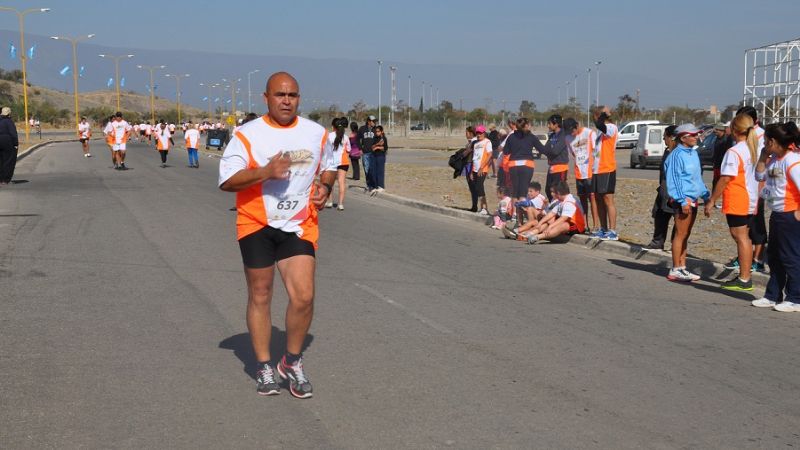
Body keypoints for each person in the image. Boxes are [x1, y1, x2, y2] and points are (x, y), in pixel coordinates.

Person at [218, 71, 337, 398]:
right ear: (266, 98)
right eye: (280, 95)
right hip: (256, 222)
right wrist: (265, 172)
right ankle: (264, 365)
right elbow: (227, 181)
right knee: (261, 294)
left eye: (293, 95)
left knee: (303, 296)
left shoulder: (315, 133)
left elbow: (329, 164)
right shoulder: (247, 134)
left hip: (299, 224)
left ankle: (291, 361)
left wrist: (325, 186)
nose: (287, 100)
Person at [704, 113, 759, 291]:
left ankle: (744, 278)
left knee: (740, 237)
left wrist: (712, 199)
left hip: (738, 198)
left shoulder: (734, 151)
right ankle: (745, 275)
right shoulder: (753, 149)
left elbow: (725, 178)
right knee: (744, 237)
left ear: (734, 130)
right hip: (750, 197)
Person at [750, 122, 800, 312]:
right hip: (778, 213)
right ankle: (773, 295)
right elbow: (759, 176)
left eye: (765, 142)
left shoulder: (793, 161)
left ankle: (796, 298)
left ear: (772, 141)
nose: (764, 144)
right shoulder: (775, 159)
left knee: (791, 257)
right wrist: (763, 156)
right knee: (775, 257)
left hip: (790, 216)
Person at [723, 106, 768, 273]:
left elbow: (764, 162)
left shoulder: (761, 136)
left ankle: (757, 259)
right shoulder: (743, 139)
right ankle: (746, 262)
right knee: (743, 232)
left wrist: (762, 187)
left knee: (754, 227)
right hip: (747, 188)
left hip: (755, 188)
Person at [664, 124, 709, 282]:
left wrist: (706, 194)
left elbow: (696, 178)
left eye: (697, 134)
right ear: (683, 138)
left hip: (693, 199)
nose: (696, 136)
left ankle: (682, 266)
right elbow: (674, 180)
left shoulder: (693, 153)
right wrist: (682, 200)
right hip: (682, 200)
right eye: (693, 134)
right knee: (680, 234)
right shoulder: (676, 155)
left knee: (685, 234)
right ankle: (676, 268)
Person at [503, 117, 545, 221]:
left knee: (515, 192)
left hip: (513, 165)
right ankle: (522, 218)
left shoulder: (511, 137)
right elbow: (542, 149)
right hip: (527, 164)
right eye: (529, 124)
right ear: (526, 125)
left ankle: (515, 217)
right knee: (522, 192)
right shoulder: (531, 137)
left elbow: (506, 151)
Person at [646, 125, 678, 250]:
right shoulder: (667, 151)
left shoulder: (679, 153)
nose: (664, 140)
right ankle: (657, 242)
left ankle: (675, 246)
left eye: (665, 137)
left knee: (677, 219)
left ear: (672, 137)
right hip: (663, 190)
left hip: (674, 192)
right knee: (659, 215)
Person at [591, 106, 619, 241]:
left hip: (607, 168)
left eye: (595, 116)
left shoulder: (611, 128)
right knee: (598, 200)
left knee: (608, 200)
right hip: (597, 170)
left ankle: (613, 230)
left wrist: (603, 113)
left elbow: (599, 124)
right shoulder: (599, 133)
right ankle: (603, 228)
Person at [564, 118, 597, 232]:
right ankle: (585, 225)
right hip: (579, 173)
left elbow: (596, 151)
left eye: (572, 131)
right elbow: (572, 153)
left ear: (577, 126)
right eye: (569, 132)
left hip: (590, 172)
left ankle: (595, 226)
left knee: (592, 198)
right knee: (582, 199)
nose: (571, 134)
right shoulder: (568, 138)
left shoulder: (589, 133)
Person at [540, 114, 570, 202]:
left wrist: (548, 151)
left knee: (559, 191)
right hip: (552, 167)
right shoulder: (552, 135)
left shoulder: (563, 135)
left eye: (549, 123)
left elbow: (555, 151)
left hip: (561, 167)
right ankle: (554, 208)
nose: (548, 126)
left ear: (556, 124)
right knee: (548, 190)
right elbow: (545, 149)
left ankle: (561, 210)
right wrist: (547, 151)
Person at [326, 117, 350, 210]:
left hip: (331, 162)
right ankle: (340, 204)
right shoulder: (346, 137)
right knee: (341, 182)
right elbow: (349, 150)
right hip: (343, 162)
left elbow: (325, 149)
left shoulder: (329, 136)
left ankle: (330, 202)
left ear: (333, 127)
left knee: (330, 182)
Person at [469, 125, 493, 214]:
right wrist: (472, 171)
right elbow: (474, 158)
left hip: (482, 169)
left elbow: (490, 155)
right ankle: (482, 207)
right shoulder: (475, 143)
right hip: (475, 169)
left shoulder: (487, 142)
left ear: (484, 133)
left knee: (480, 186)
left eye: (480, 133)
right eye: (477, 133)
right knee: (477, 188)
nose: (478, 135)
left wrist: (482, 167)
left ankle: (484, 208)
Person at [711, 122, 732, 195]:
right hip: (716, 164)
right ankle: (713, 198)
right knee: (715, 181)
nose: (715, 131)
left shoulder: (726, 140)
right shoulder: (717, 138)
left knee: (721, 182)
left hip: (722, 165)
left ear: (721, 130)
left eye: (717, 130)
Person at [0, 106, 19, 185]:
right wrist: (15, 144)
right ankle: (5, 179)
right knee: (9, 161)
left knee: (0, 161)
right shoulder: (9, 121)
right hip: (7, 142)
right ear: (9, 114)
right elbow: (13, 134)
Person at [358, 115, 377, 192]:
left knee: (373, 169)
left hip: (374, 153)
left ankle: (374, 185)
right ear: (369, 121)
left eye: (375, 121)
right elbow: (357, 140)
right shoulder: (362, 129)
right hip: (365, 153)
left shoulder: (376, 129)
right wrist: (360, 149)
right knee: (367, 170)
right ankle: (369, 185)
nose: (375, 123)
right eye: (373, 121)